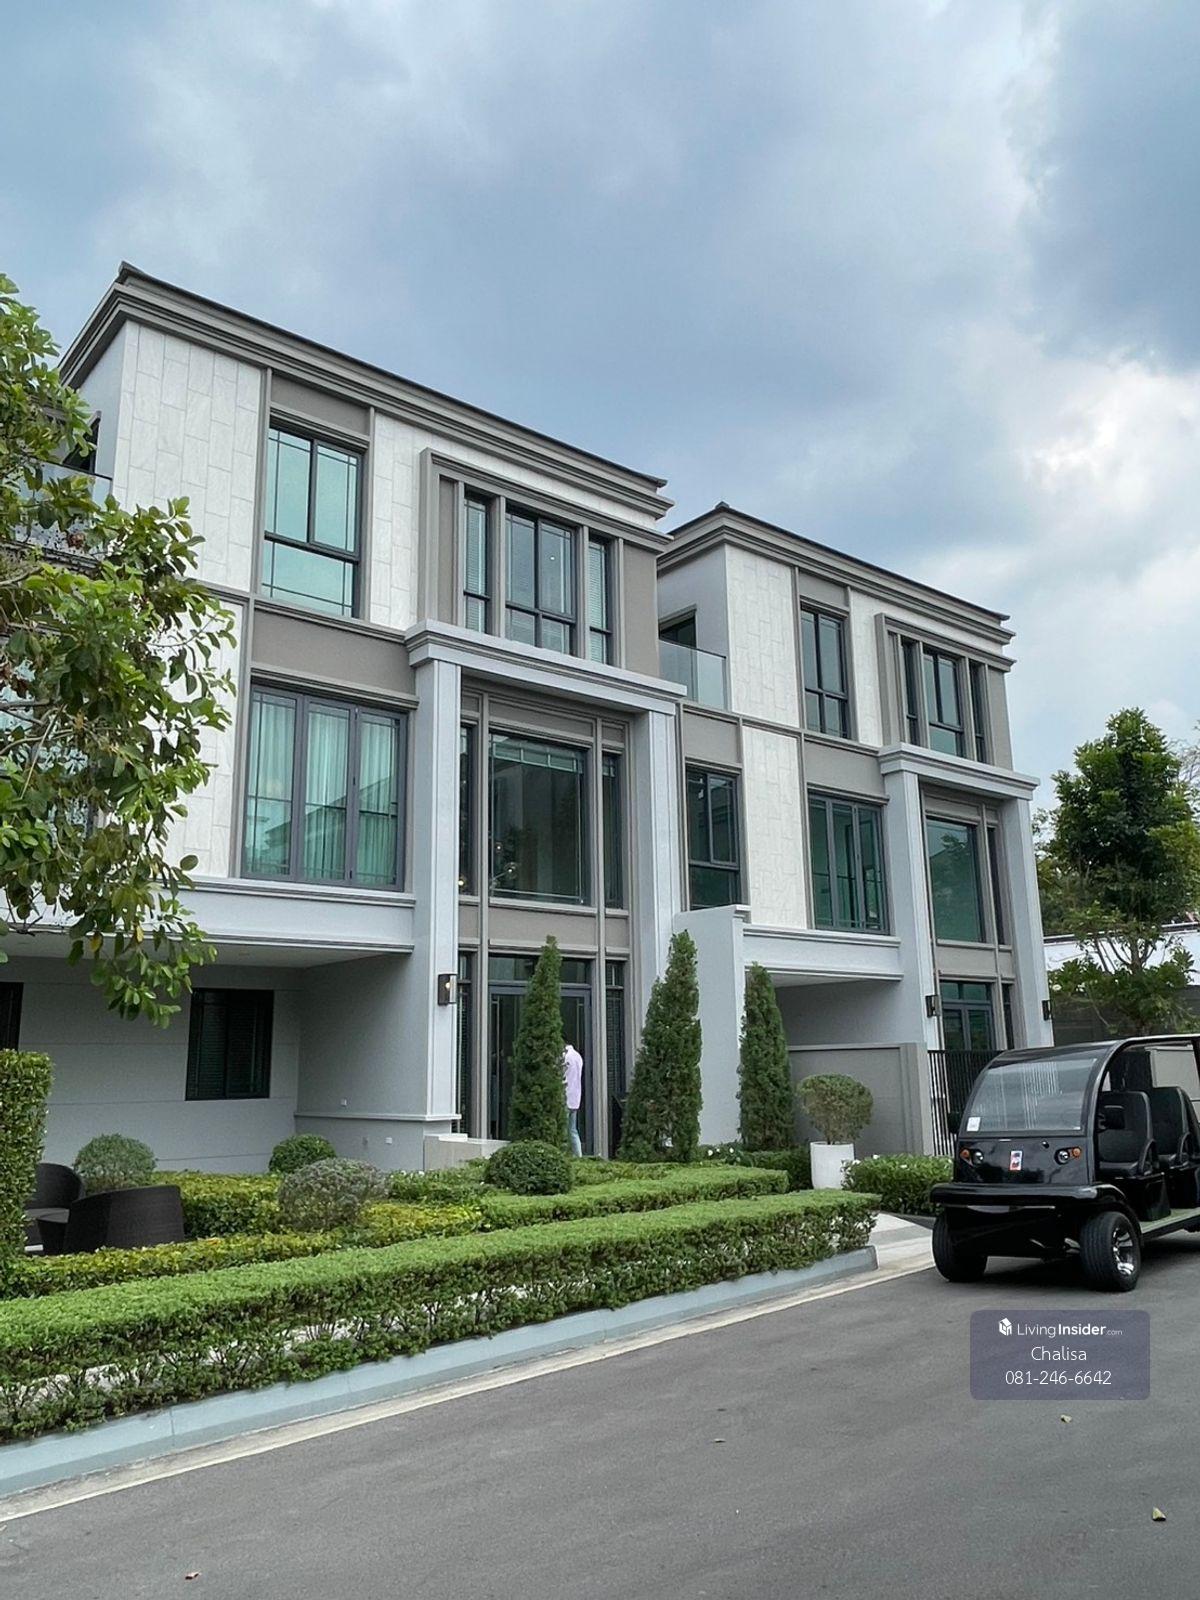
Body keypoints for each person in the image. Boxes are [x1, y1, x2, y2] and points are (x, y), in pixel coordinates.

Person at [562, 1041, 584, 1156]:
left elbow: (561, 1075)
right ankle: (579, 1156)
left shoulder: (565, 1057)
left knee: (563, 1130)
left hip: (565, 1096)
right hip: (575, 1097)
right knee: (573, 1130)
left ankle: (565, 1155)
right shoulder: (578, 1056)